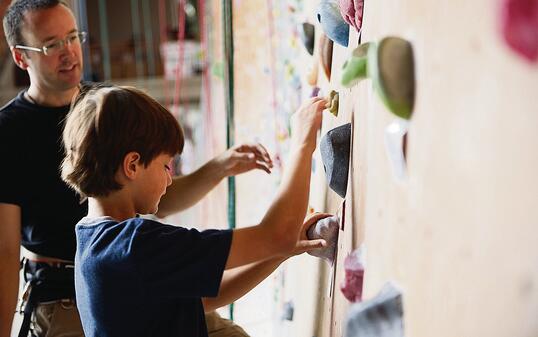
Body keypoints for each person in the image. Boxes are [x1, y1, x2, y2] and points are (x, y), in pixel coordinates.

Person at [0, 1, 287, 336]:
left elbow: (155, 194)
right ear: (21, 56)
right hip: (64, 302)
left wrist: (218, 168)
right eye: (51, 44)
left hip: (138, 276)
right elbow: (6, 251)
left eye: (72, 36)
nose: (69, 51)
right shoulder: (9, 132)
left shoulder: (105, 105)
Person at [60, 84, 327, 337]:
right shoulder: (135, 245)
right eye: (166, 166)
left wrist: (277, 251)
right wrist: (302, 142)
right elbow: (276, 233)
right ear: (132, 165)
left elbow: (201, 299)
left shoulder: (92, 240)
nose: (169, 179)